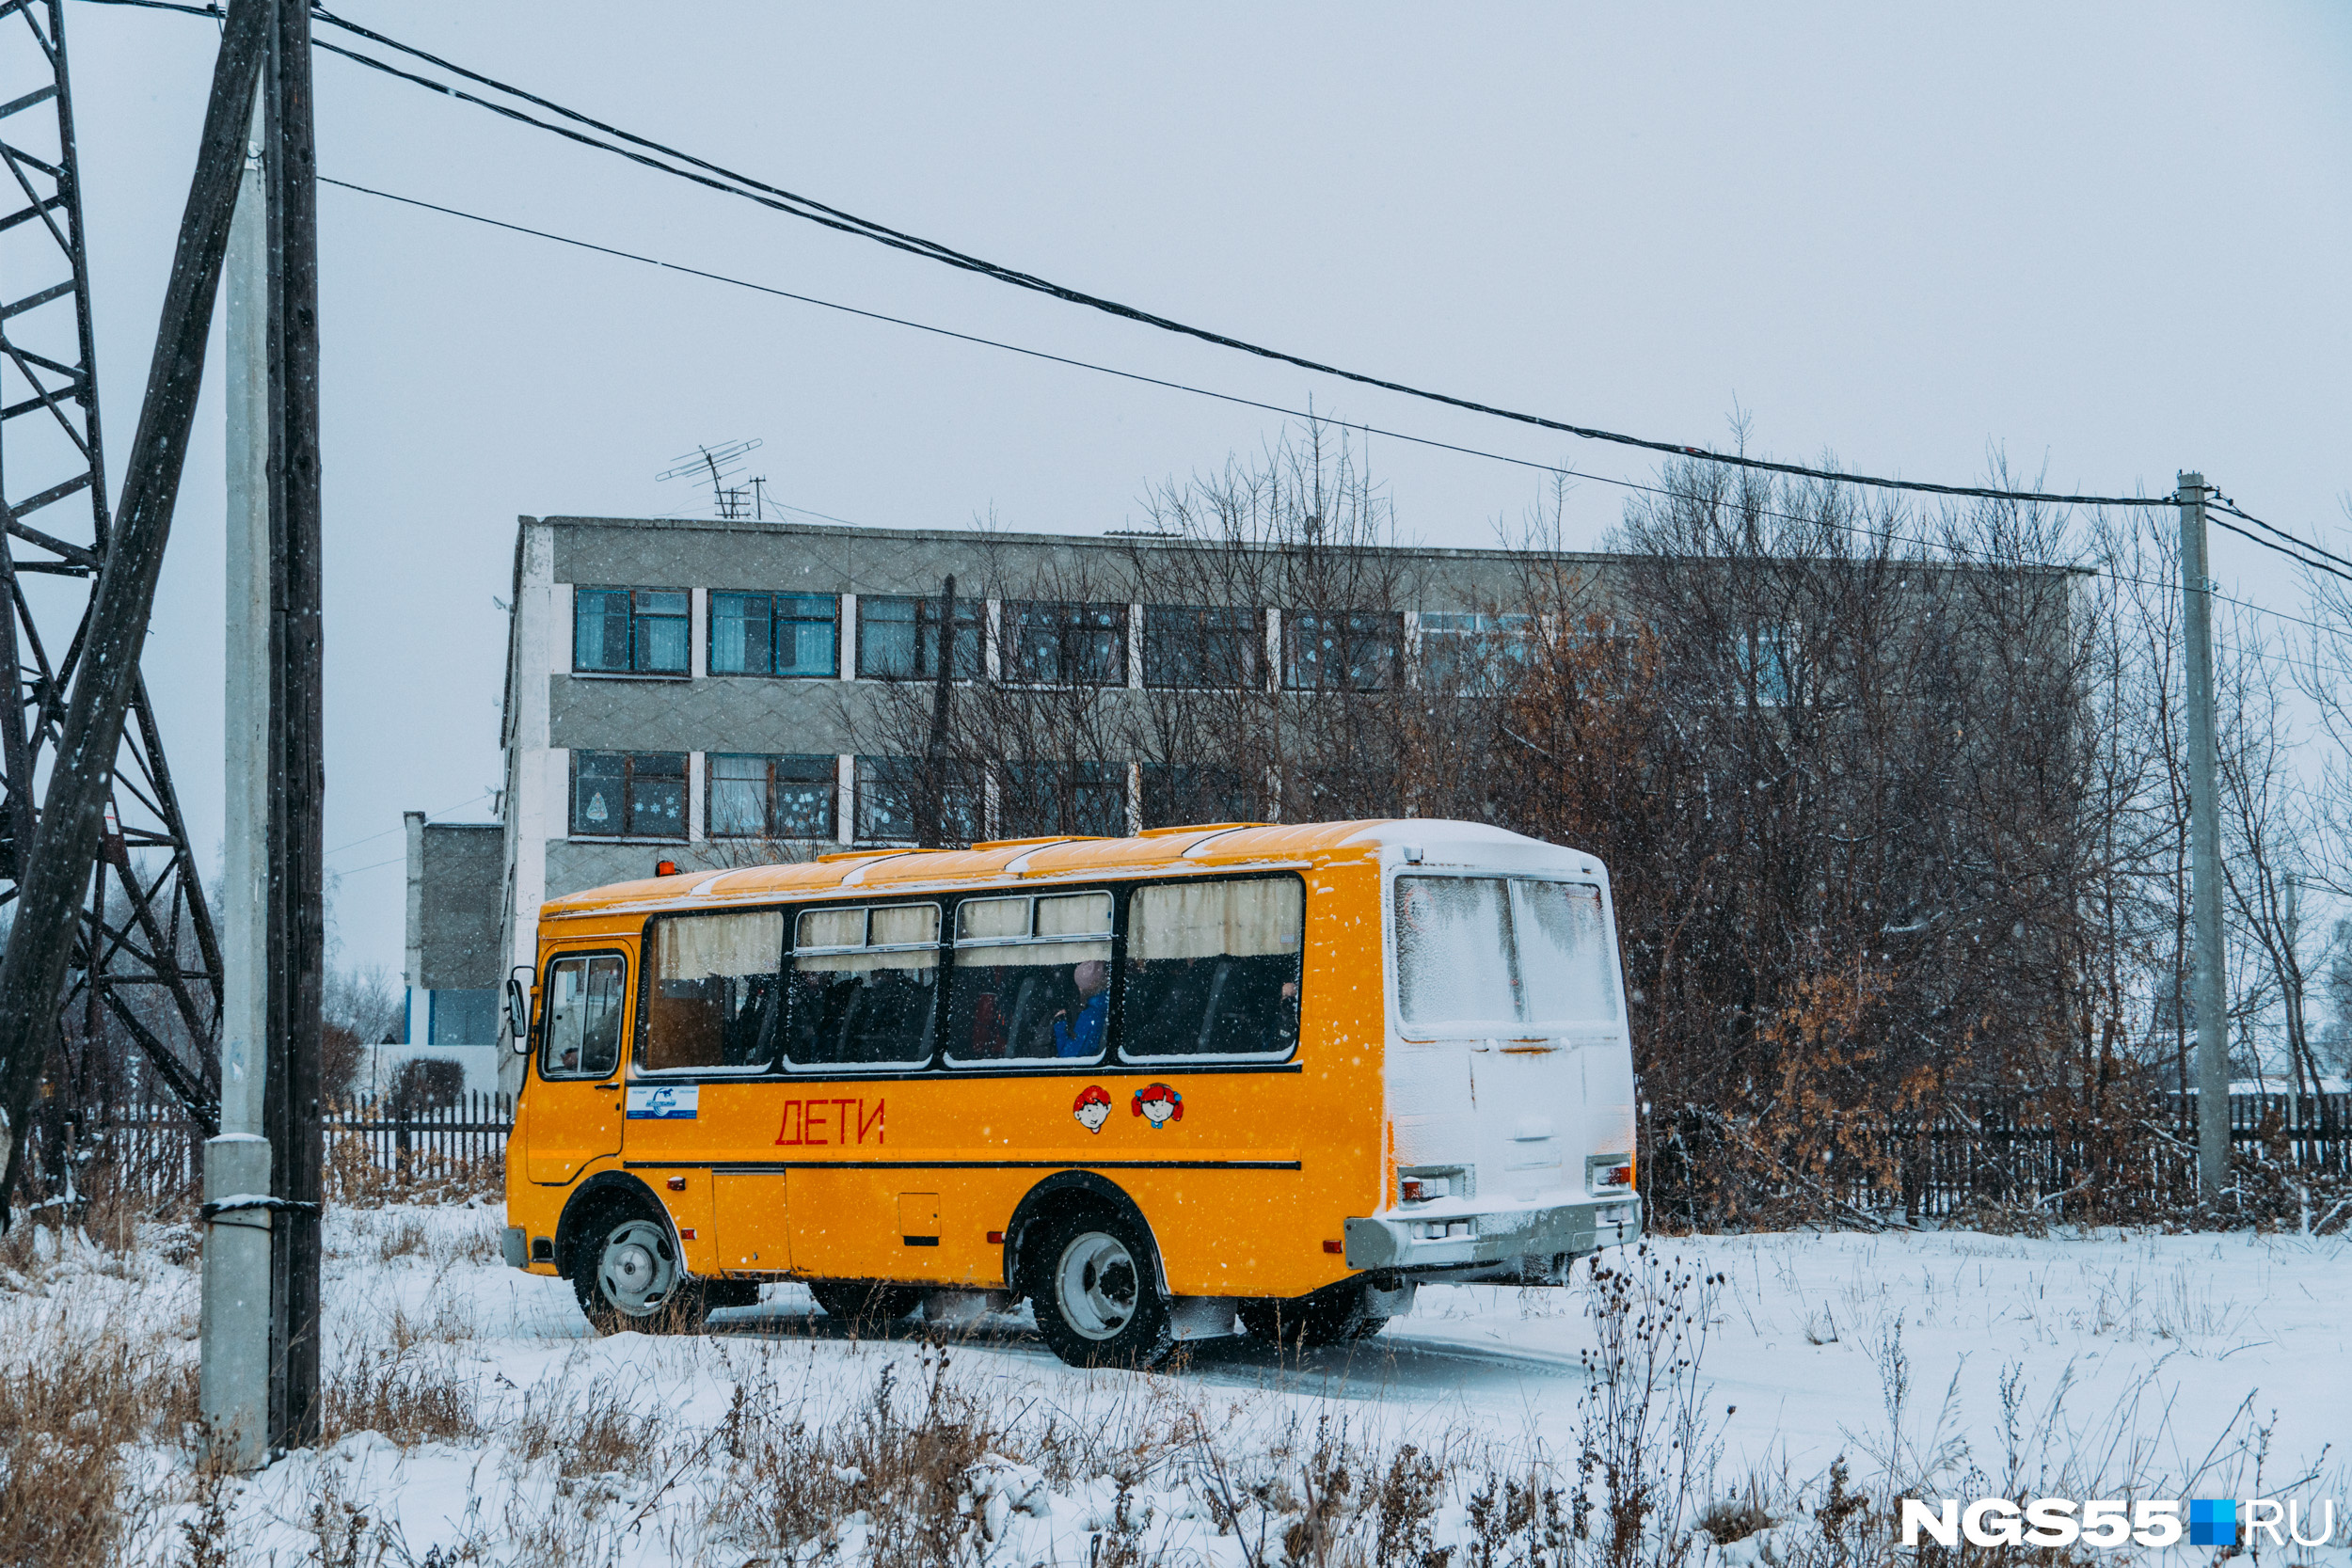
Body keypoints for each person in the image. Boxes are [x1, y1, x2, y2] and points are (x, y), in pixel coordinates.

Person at [1053, 958, 1109, 1058]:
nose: (1079, 989)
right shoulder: (1104, 1004)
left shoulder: (1090, 1015)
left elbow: (1067, 1058)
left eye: (1080, 986)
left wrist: (1060, 1025)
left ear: (1090, 987)